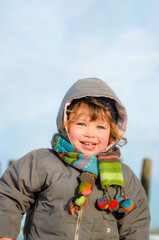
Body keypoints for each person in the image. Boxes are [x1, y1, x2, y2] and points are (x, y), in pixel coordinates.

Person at [0, 78, 150, 240]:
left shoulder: (123, 177)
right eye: (81, 124)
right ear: (66, 124)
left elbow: (135, 225)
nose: (90, 134)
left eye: (100, 127)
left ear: (112, 132)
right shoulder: (43, 162)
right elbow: (10, 195)